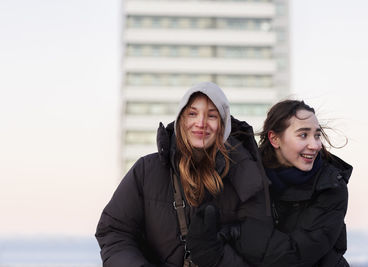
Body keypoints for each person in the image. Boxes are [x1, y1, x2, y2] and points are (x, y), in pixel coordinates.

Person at [95, 82, 269, 267]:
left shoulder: (246, 178)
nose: (201, 123)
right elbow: (114, 231)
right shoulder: (146, 170)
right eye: (192, 114)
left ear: (223, 125)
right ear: (181, 120)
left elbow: (258, 248)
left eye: (212, 116)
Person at [244, 99, 351, 266]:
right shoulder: (249, 179)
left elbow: (295, 255)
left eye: (317, 135)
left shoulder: (331, 186)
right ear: (274, 139)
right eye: (303, 135)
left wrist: (238, 235)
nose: (315, 145)